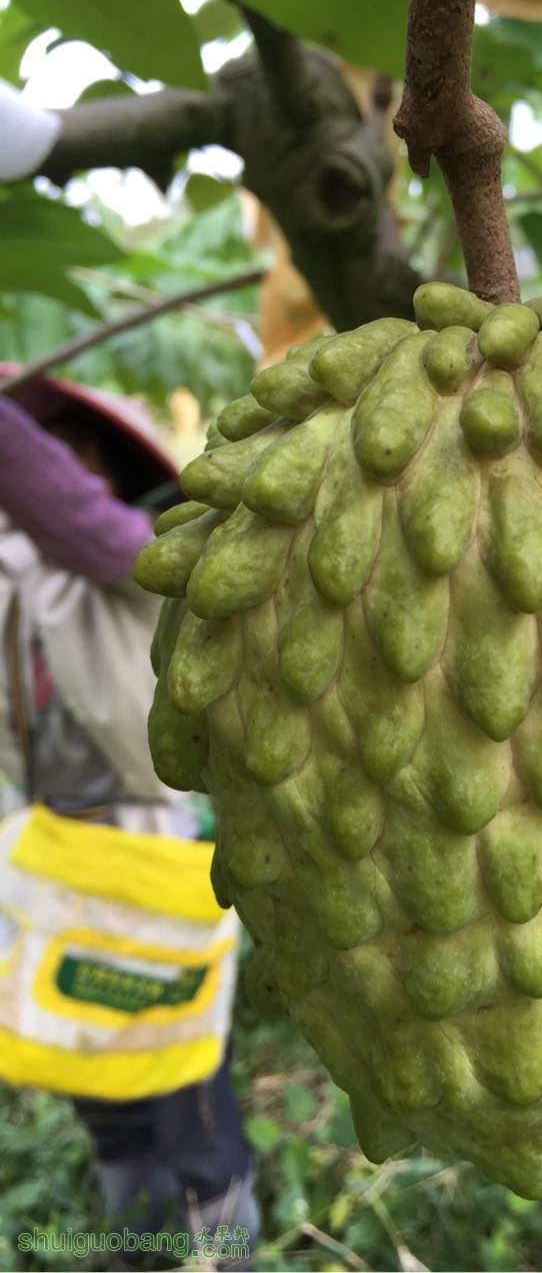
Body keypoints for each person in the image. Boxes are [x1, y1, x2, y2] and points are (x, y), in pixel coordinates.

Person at [0, 368, 259, 1264]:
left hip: (146, 850)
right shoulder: (16, 575)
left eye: (75, 451)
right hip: (57, 857)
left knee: (182, 1075)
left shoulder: (135, 560)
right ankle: (135, 1236)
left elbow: (64, 511)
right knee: (92, 1069)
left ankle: (216, 1248)